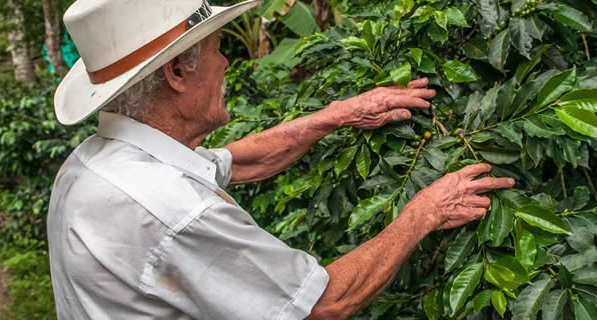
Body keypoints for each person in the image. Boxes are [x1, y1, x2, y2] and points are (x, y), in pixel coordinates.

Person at [47, 0, 515, 319]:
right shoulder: (171, 209)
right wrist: (426, 211)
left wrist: (333, 116)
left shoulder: (94, 164)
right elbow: (320, 304)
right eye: (216, 50)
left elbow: (236, 161)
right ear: (174, 73)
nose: (227, 62)